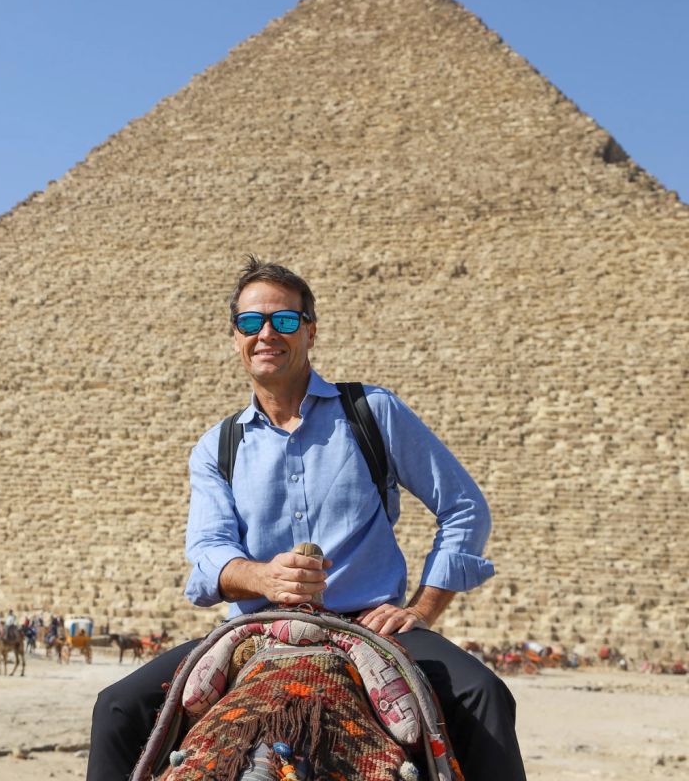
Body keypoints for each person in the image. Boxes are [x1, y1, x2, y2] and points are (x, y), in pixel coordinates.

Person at [87, 257, 526, 781]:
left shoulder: (372, 413)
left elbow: (464, 507)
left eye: (285, 321)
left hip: (368, 625)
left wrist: (424, 609)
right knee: (114, 709)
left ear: (310, 332)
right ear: (235, 338)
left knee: (485, 696)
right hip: (257, 627)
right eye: (251, 323)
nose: (267, 333)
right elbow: (208, 554)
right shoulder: (217, 447)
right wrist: (262, 576)